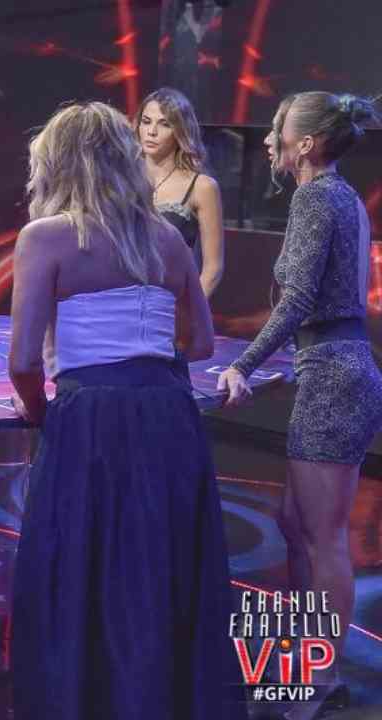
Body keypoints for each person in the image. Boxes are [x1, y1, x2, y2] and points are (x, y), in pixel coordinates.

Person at [8, 101, 240, 720]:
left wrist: (40, 413)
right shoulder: (165, 237)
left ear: (57, 163)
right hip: (169, 417)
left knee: (85, 571)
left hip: (90, 421)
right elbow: (200, 344)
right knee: (160, 571)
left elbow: (23, 362)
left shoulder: (45, 237)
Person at [218, 92, 382, 720]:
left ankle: (320, 681)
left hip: (335, 377)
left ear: (305, 144)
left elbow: (299, 301)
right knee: (294, 523)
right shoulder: (338, 195)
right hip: (333, 369)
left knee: (323, 536)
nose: (268, 140)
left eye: (277, 130)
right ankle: (305, 659)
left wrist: (244, 364)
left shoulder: (316, 197)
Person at [135, 87, 225, 296]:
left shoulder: (202, 187)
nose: (152, 131)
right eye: (146, 122)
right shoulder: (121, 178)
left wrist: (188, 310)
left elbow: (212, 270)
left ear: (181, 131)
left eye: (164, 124)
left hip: (169, 304)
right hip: (119, 302)